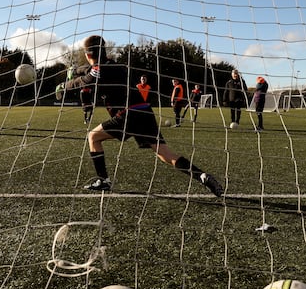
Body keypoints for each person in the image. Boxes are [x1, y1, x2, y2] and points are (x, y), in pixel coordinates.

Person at [60, 35, 224, 197]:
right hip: (145, 111)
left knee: (93, 137)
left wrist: (63, 86)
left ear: (88, 54)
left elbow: (83, 81)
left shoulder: (99, 71)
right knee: (164, 154)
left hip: (129, 114)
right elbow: (86, 70)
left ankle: (103, 180)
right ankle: (202, 176)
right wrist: (75, 70)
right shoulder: (113, 65)